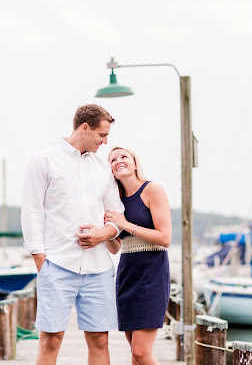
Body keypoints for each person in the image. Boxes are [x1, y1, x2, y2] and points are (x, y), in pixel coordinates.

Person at [20, 104, 125, 365]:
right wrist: (40, 259)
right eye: (102, 135)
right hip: (56, 264)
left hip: (99, 268)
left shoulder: (102, 168)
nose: (106, 141)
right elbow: (31, 211)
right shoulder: (43, 160)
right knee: (51, 340)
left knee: (100, 340)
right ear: (84, 128)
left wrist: (103, 234)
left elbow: (116, 213)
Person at [104, 146, 172, 365]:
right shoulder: (115, 199)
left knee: (142, 353)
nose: (118, 161)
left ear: (135, 163)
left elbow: (165, 238)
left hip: (152, 272)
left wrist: (125, 224)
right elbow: (115, 248)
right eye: (113, 159)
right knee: (134, 353)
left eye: (124, 157)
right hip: (127, 274)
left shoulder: (152, 190)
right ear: (110, 170)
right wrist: (103, 229)